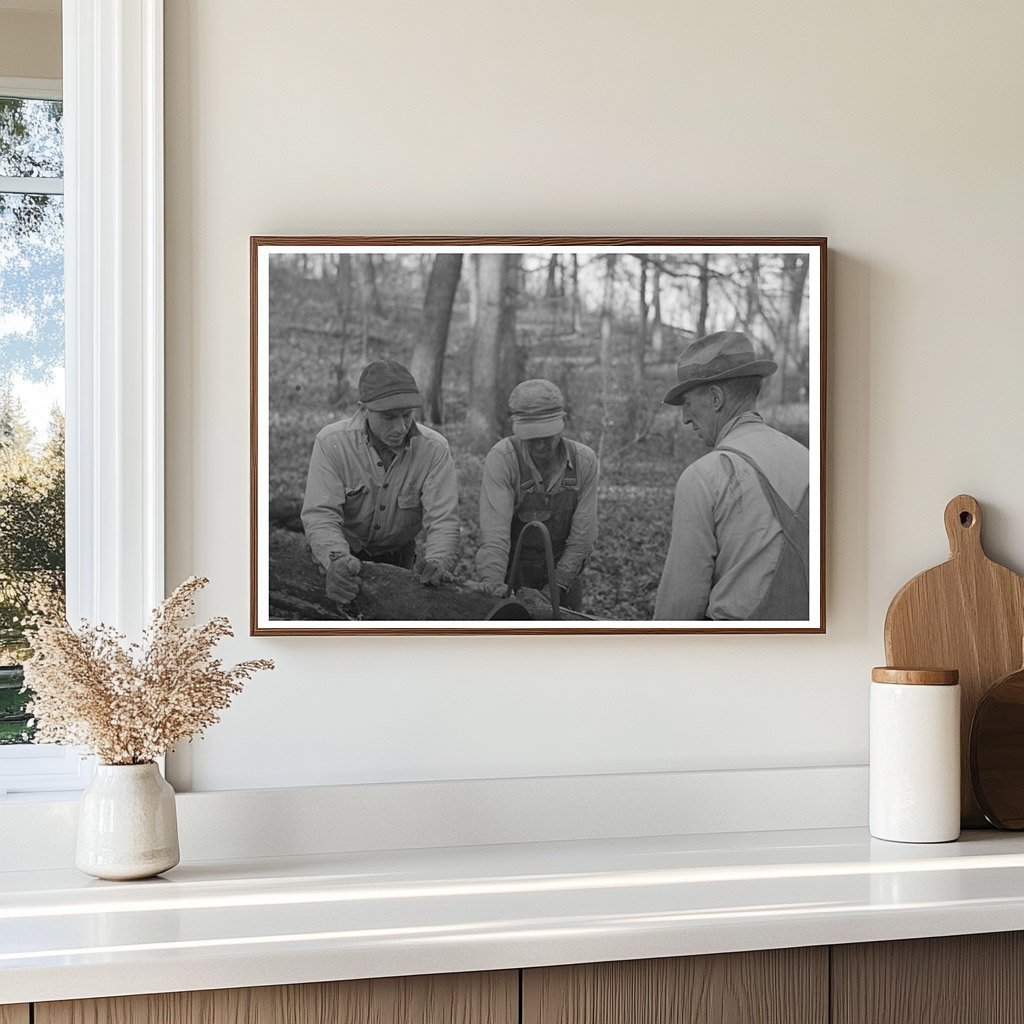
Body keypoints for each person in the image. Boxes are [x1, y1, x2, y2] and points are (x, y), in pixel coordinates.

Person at [655, 331, 810, 621]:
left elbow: (680, 606)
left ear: (716, 398)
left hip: (734, 643)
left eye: (688, 403)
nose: (685, 418)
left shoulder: (703, 477)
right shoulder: (808, 458)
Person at [301, 359, 459, 605]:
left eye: (407, 415)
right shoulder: (331, 442)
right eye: (388, 417)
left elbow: (443, 519)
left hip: (398, 554)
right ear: (363, 410)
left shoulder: (435, 450)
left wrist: (438, 561)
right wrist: (336, 561)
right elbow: (321, 514)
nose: (401, 427)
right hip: (341, 547)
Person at [475, 379, 598, 611]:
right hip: (512, 575)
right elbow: (495, 536)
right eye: (531, 437)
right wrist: (493, 584)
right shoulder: (503, 459)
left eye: (547, 435)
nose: (540, 445)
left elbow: (582, 538)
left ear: (562, 425)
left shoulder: (584, 461)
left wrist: (554, 591)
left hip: (564, 576)